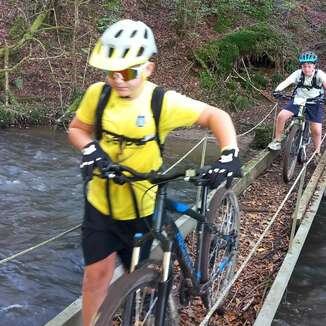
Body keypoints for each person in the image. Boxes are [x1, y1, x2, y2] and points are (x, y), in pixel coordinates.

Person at [68, 19, 241, 326]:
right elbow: (78, 130)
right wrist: (90, 149)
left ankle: (154, 302)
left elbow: (217, 116)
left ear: (148, 69)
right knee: (95, 276)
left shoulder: (161, 102)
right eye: (112, 72)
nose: (118, 80)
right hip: (101, 203)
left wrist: (229, 154)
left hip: (144, 203)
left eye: (128, 72)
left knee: (144, 279)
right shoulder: (98, 94)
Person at [268, 51, 326, 160]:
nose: (307, 69)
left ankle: (317, 152)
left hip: (315, 102)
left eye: (309, 66)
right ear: (301, 66)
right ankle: (277, 141)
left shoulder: (320, 74)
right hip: (298, 100)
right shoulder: (298, 73)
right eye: (304, 66)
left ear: (314, 65)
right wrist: (278, 90)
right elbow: (287, 81)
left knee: (317, 130)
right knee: (281, 116)